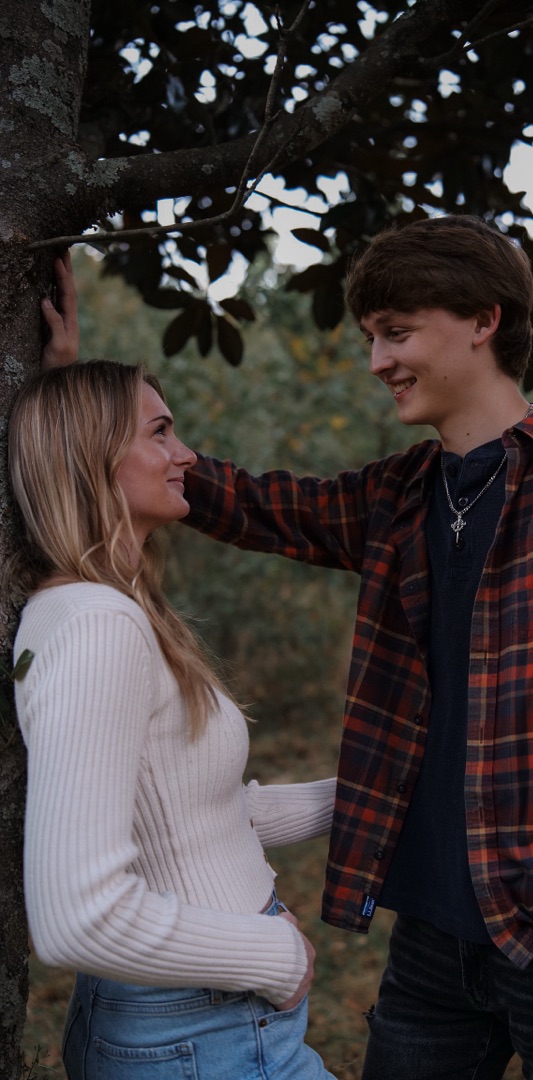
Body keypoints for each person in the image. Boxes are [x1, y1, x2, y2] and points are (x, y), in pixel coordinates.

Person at [43, 217, 533, 1080]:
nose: (376, 362)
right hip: (430, 936)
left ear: (483, 320)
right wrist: (80, 403)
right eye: (369, 338)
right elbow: (247, 501)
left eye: (396, 333)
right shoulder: (399, 495)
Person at [9, 354, 338, 1080]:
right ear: (91, 456)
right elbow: (77, 915)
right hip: (204, 1031)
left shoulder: (108, 609)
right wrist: (275, 955)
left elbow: (189, 817)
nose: (185, 453)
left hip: (199, 1023)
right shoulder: (97, 626)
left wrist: (351, 801)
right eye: (160, 432)